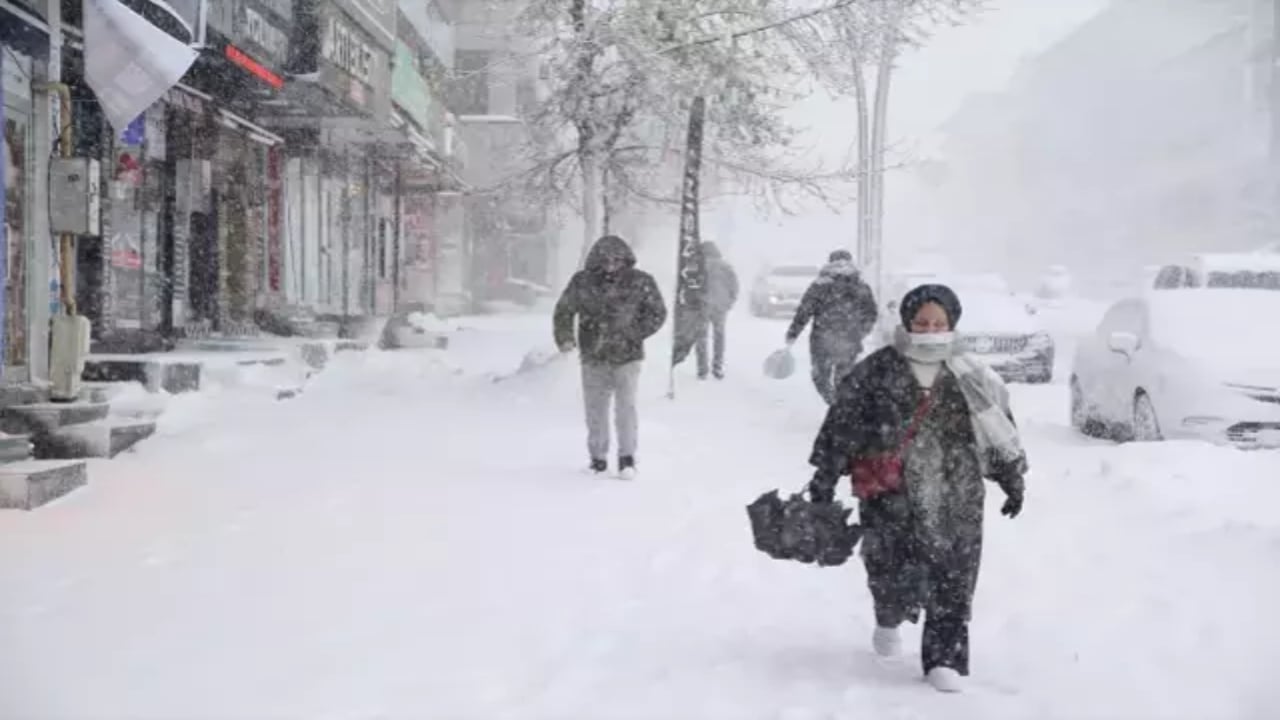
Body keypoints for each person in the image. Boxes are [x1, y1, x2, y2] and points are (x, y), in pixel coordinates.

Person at [805, 284, 1028, 694]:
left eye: (938, 323)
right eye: (921, 323)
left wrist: (1012, 477)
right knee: (891, 567)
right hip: (891, 492)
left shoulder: (972, 374)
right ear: (907, 323)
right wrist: (824, 479)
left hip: (955, 489)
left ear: (952, 324)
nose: (929, 330)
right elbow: (841, 426)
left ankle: (945, 657)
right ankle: (889, 615)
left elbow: (997, 428)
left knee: (954, 575)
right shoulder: (877, 369)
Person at [553, 235, 668, 478]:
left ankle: (627, 458)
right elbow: (564, 310)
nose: (611, 264)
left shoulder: (640, 281)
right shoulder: (582, 282)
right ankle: (597, 458)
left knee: (625, 407)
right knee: (595, 409)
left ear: (625, 259)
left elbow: (657, 312)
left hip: (628, 356)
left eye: (616, 259)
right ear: (596, 260)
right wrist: (565, 338)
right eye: (605, 260)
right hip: (593, 356)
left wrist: (635, 333)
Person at [784, 249, 879, 404]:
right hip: (850, 340)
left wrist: (793, 333)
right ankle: (842, 407)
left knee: (820, 377)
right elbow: (871, 313)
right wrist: (861, 332)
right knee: (844, 377)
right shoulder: (861, 286)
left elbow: (804, 312)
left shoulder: (819, 286)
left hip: (821, 340)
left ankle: (833, 403)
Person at [696, 241, 739, 380]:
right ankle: (717, 367)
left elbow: (693, 286)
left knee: (701, 337)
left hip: (703, 305)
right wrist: (730, 302)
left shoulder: (699, 267)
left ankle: (702, 369)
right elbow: (734, 286)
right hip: (721, 306)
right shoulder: (726, 266)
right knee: (719, 336)